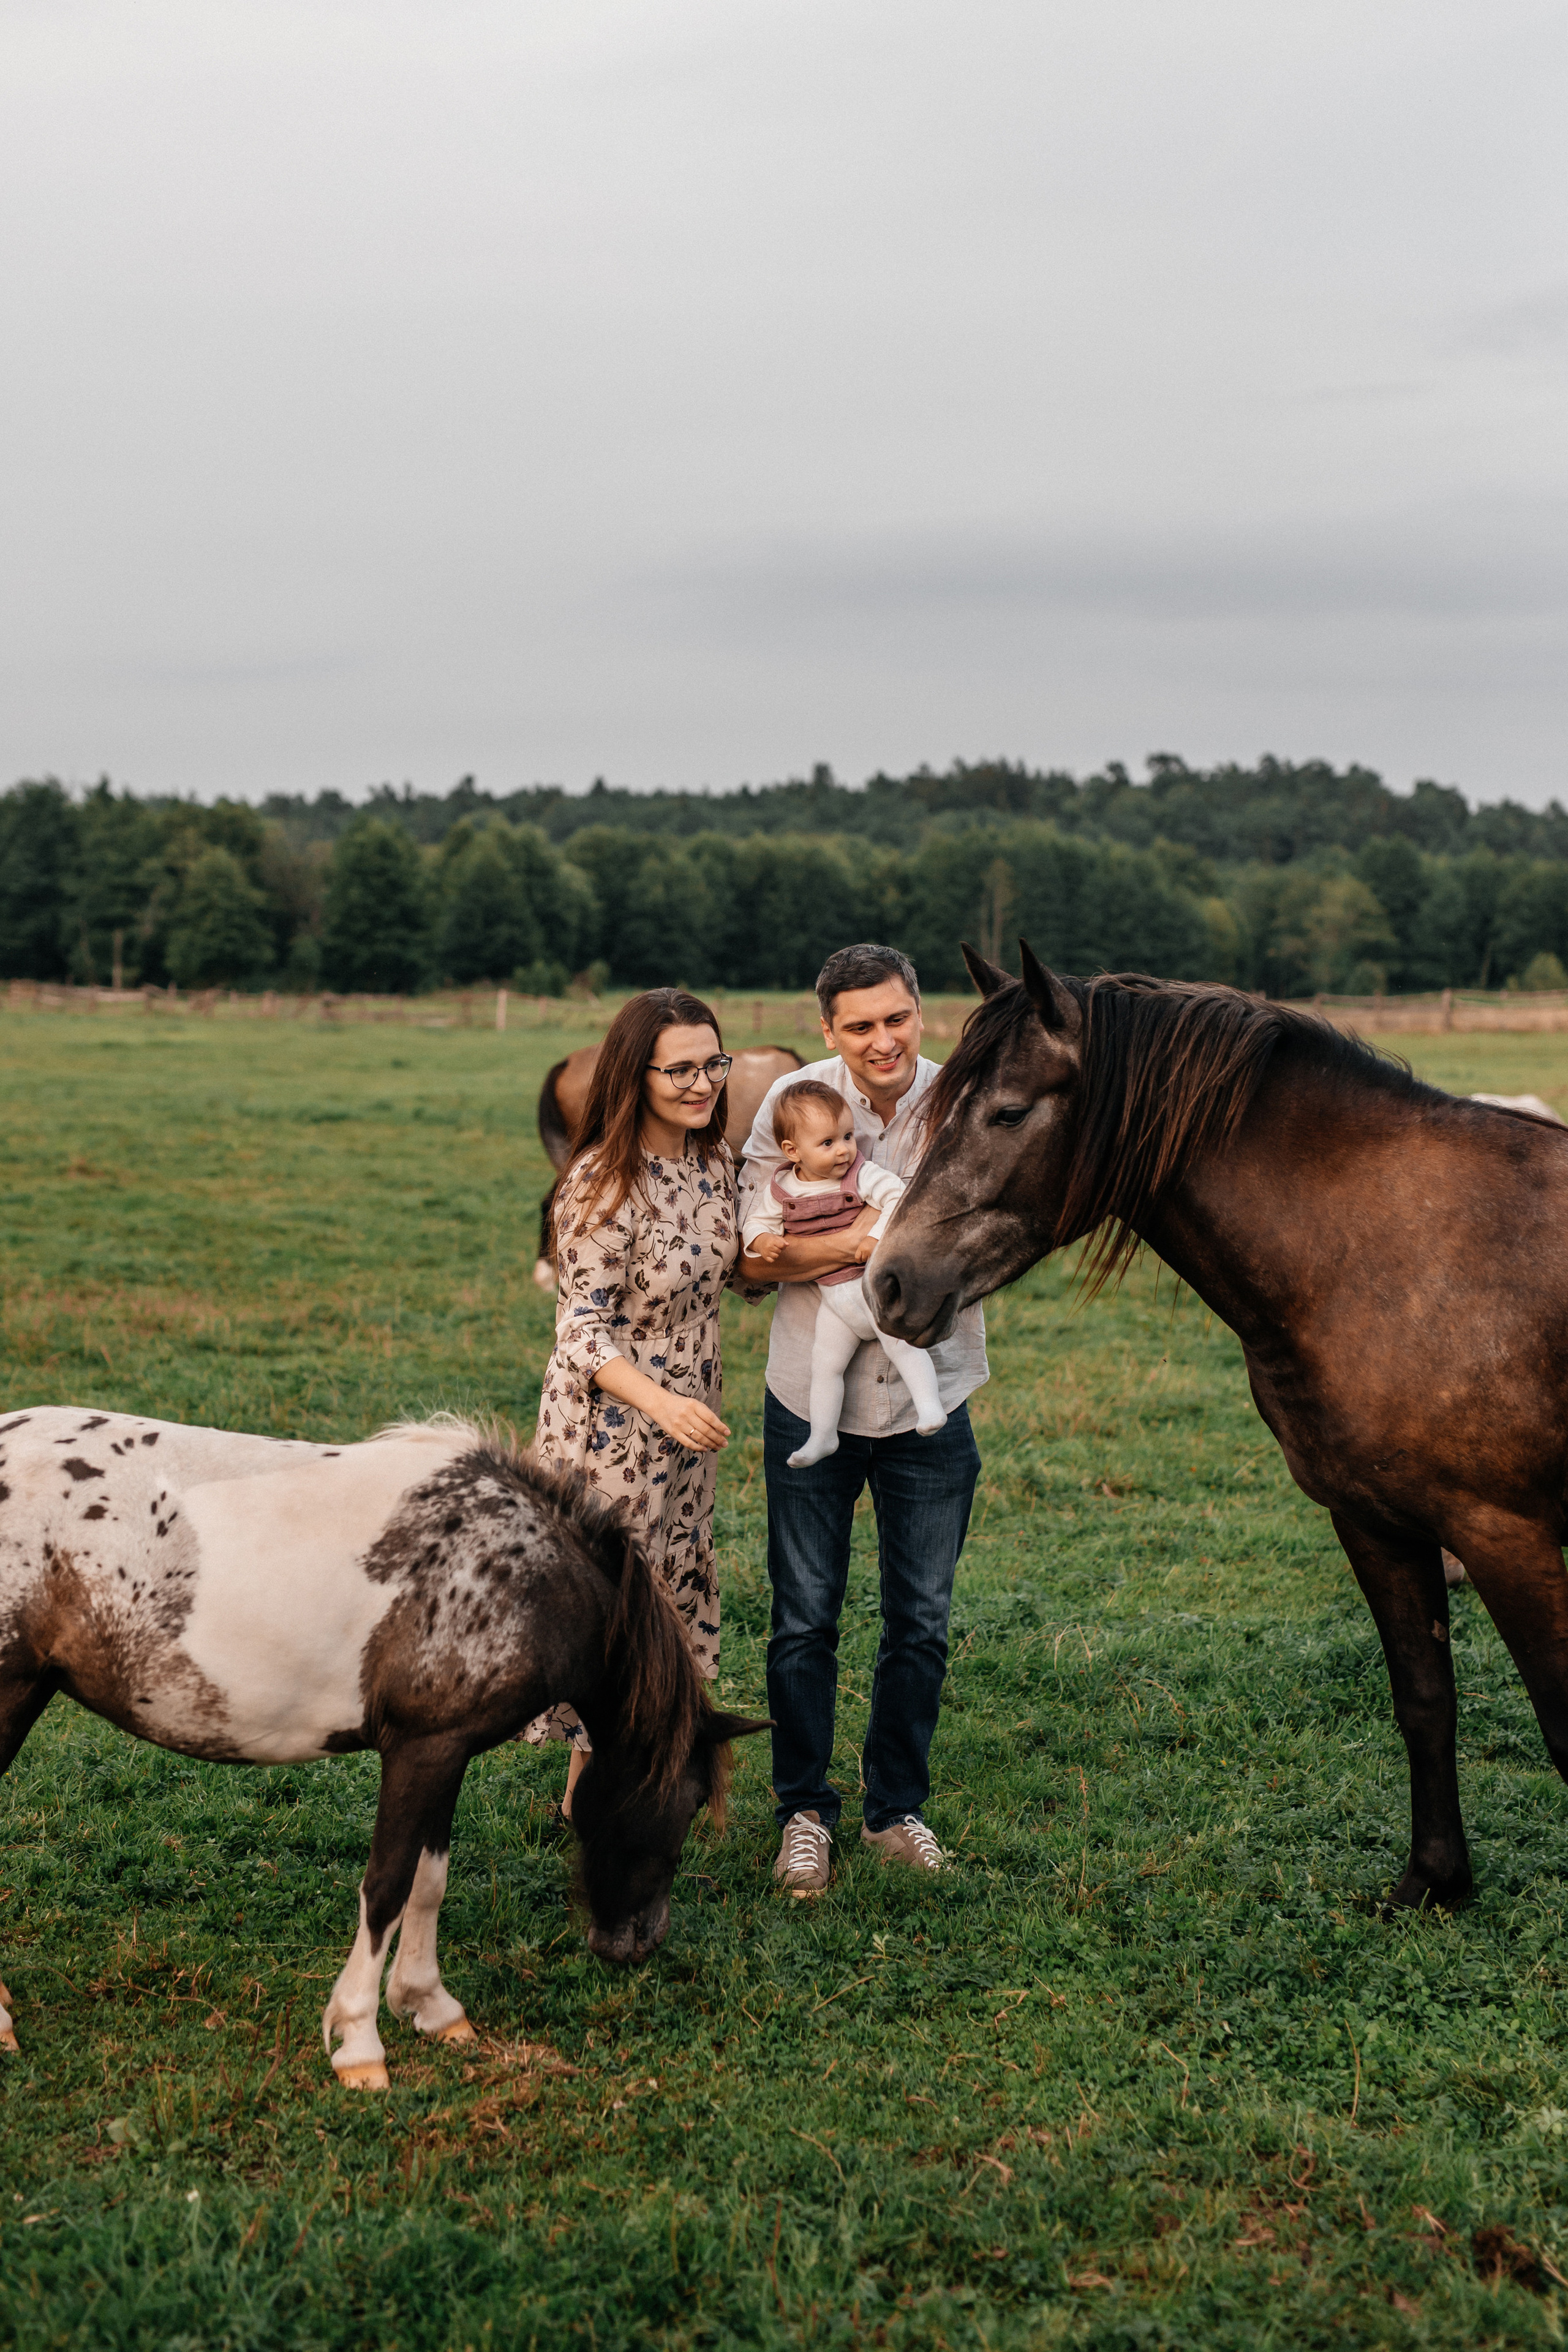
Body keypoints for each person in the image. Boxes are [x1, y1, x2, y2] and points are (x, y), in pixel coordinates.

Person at [737, 943, 987, 1896]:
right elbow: (750, 1258)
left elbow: (977, 1237)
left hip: (938, 1392)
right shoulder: (790, 1102)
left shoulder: (964, 1099)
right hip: (812, 1388)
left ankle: (895, 1809)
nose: (882, 1040)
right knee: (804, 1619)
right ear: (828, 1031)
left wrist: (837, 1250)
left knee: (920, 1620)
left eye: (897, 1018)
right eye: (859, 1025)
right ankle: (804, 1812)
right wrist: (861, 1242)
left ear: (920, 1012)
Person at [526, 987, 739, 1819]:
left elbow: (742, 1267)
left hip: (689, 1424)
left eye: (711, 1064)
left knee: (666, 1597)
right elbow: (580, 1330)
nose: (701, 1083)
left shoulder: (712, 1162)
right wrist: (661, 1404)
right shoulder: (602, 1183)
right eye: (678, 1069)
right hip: (612, 1428)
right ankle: (595, 1796)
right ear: (635, 1074)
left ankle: (597, 1794)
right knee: (615, 1605)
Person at [743, 1077, 946, 1468]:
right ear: (792, 1151)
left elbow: (896, 1199)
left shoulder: (860, 1174)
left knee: (901, 1344)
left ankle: (929, 1407)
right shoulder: (781, 1188)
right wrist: (761, 1241)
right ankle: (822, 1436)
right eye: (828, 1143)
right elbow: (755, 1223)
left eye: (849, 1136)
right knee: (826, 1365)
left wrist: (872, 1237)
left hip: (870, 1289)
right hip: (834, 1301)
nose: (844, 1150)